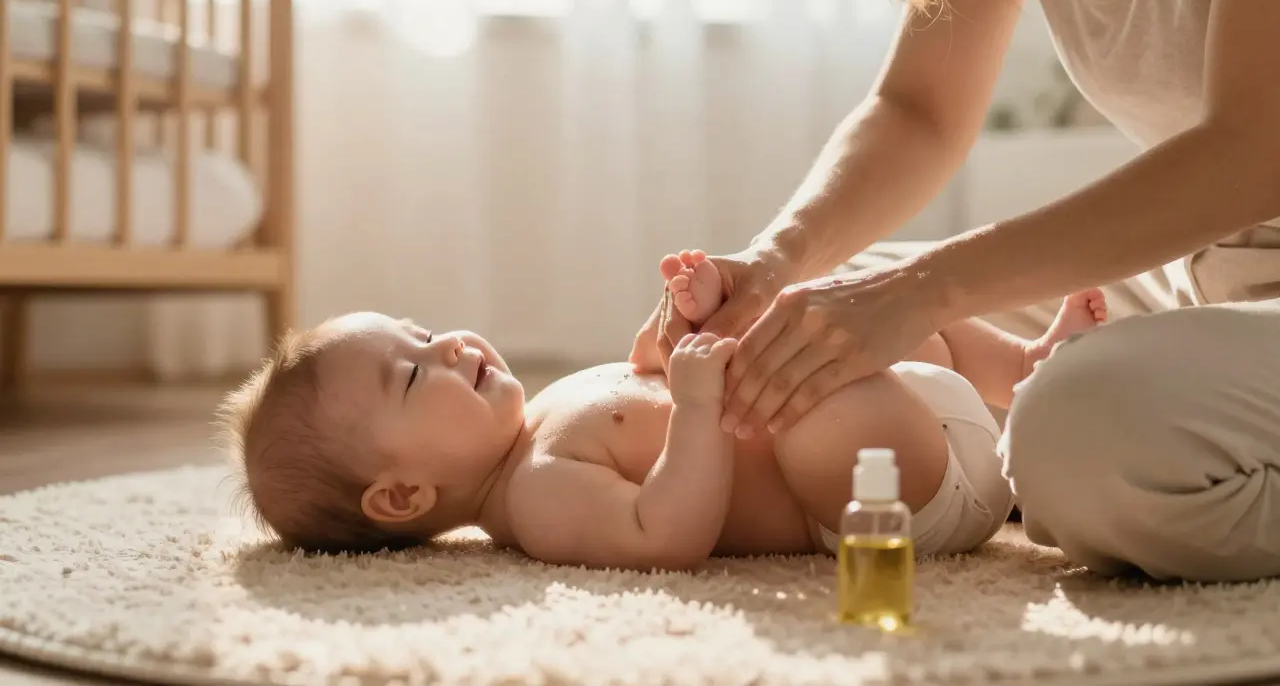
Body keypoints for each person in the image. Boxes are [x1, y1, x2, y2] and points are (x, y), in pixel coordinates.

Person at [629, 0, 1280, 584]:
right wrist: (773, 265)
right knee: (810, 314)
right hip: (1199, 269)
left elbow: (1252, 153)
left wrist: (922, 289)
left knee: (1070, 428)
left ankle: (1062, 463)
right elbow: (919, 110)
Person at [219, 249, 1103, 568]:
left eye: (420, 332)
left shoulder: (545, 413)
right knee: (808, 393)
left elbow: (646, 370)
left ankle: (1021, 371)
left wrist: (676, 329)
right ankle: (1015, 436)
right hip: (878, 497)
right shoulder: (538, 497)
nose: (447, 346)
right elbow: (664, 534)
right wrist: (696, 406)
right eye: (414, 375)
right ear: (403, 496)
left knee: (848, 294)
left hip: (909, 413)